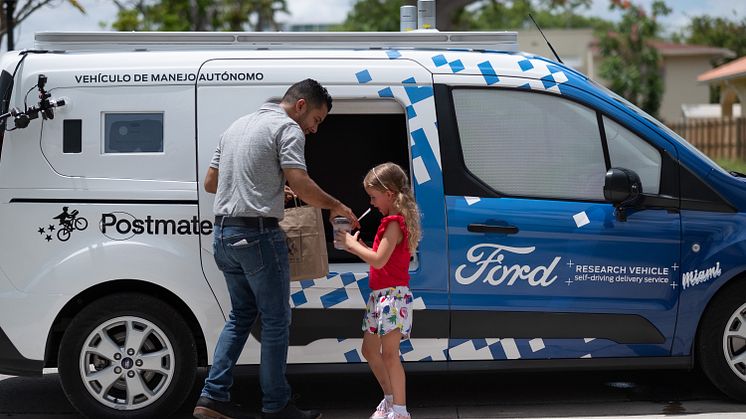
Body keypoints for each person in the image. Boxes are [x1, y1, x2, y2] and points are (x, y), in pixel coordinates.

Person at [194, 79, 359, 419]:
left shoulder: (236, 126)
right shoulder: (287, 129)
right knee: (275, 320)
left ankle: (212, 397)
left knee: (240, 316)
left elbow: (212, 183)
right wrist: (337, 205)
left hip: (224, 235)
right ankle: (276, 404)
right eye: (317, 119)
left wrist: (269, 187)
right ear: (301, 106)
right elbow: (301, 183)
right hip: (257, 236)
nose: (314, 129)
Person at [335, 162, 421, 419]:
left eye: (373, 197)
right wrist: (355, 246)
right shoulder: (390, 222)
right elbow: (377, 257)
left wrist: (351, 243)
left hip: (392, 297)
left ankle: (401, 411)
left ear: (390, 194)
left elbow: (378, 260)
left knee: (390, 355)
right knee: (370, 351)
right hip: (381, 296)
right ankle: (389, 399)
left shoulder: (394, 223)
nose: (371, 203)